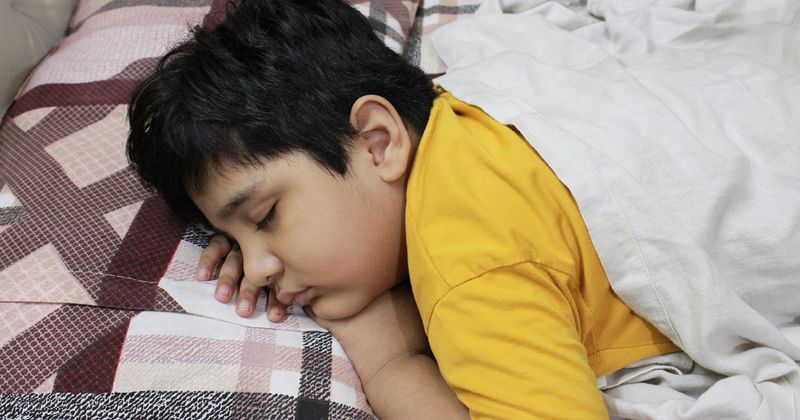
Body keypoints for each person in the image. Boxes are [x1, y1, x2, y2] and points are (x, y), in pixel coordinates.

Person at [126, 0, 679, 417]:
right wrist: (258, 229)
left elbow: (485, 276)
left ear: (377, 142)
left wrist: (386, 361)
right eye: (236, 239)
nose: (259, 269)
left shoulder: (469, 256)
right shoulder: (457, 116)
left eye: (266, 215)